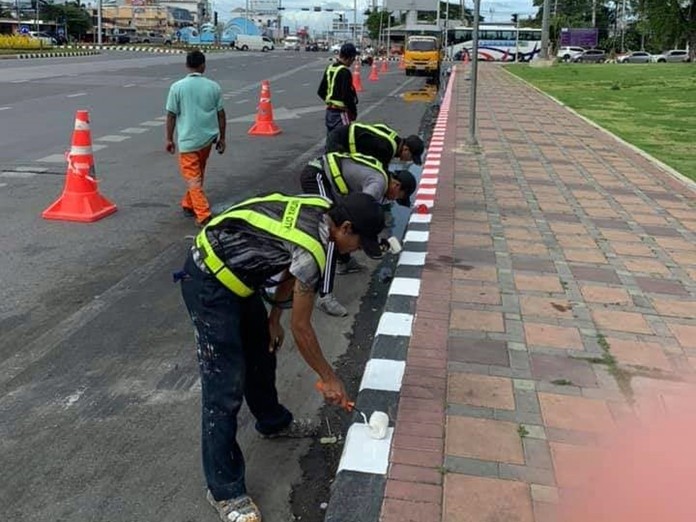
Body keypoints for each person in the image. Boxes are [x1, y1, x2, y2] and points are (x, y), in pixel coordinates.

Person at [178, 192, 385, 522]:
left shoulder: (321, 209)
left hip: (240, 278)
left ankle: (273, 422)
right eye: (360, 242)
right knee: (224, 387)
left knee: (262, 354)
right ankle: (224, 490)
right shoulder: (314, 248)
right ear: (345, 228)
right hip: (209, 279)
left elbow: (287, 265)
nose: (357, 250)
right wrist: (329, 378)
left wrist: (273, 320)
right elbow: (302, 328)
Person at [300, 152, 416, 317]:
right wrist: (376, 242)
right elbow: (358, 216)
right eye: (398, 197)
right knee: (332, 233)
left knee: (341, 228)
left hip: (327, 176)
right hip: (317, 175)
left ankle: (345, 263)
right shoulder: (378, 185)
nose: (393, 200)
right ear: (396, 185)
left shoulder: (382, 178)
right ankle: (325, 296)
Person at [165, 49, 226, 227]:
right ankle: (188, 204)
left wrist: (169, 139)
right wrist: (222, 138)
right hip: (207, 140)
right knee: (197, 175)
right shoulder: (214, 87)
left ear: (186, 65)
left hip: (188, 142)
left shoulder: (177, 87)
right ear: (203, 66)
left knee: (193, 178)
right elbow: (221, 114)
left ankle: (203, 215)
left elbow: (171, 115)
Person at [326, 122, 425, 171]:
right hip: (339, 143)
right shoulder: (387, 149)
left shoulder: (393, 136)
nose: (409, 160)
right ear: (406, 149)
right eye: (411, 157)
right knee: (337, 177)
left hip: (340, 133)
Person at [317, 43, 358, 137]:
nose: (353, 61)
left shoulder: (330, 68)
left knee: (331, 139)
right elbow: (346, 95)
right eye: (353, 58)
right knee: (344, 139)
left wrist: (331, 101)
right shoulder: (345, 71)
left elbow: (321, 91)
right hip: (341, 113)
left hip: (329, 112)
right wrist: (353, 111)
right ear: (350, 57)